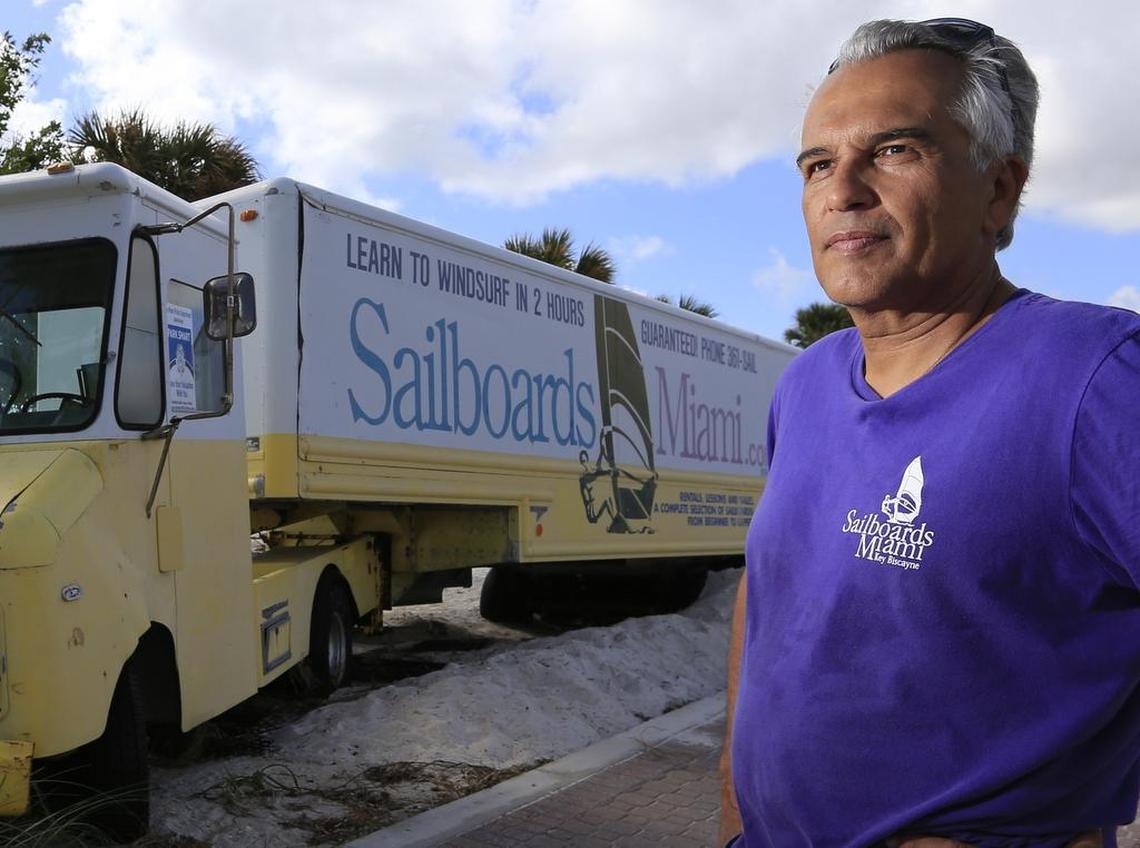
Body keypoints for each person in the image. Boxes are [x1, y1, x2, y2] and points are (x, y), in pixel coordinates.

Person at [719, 17, 1140, 848]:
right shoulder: (805, 383)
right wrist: (735, 811)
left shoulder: (1097, 378)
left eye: (894, 150)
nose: (842, 189)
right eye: (817, 165)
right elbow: (767, 601)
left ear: (1000, 189)